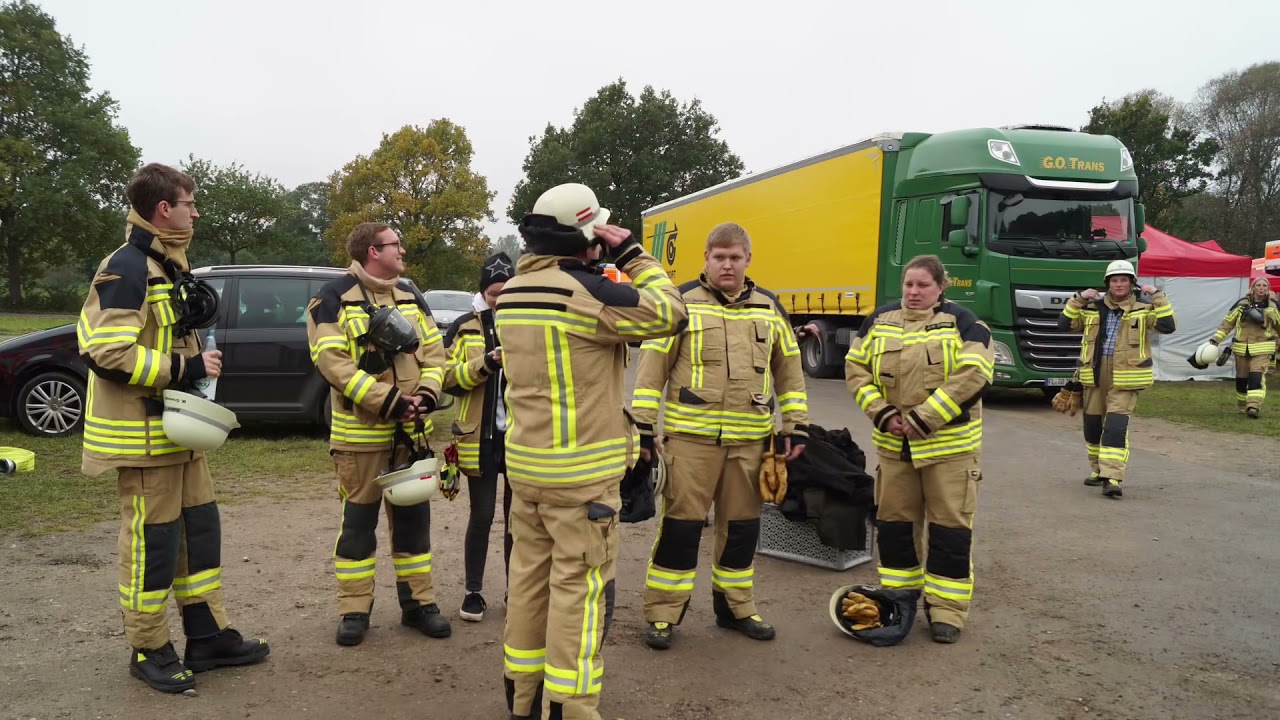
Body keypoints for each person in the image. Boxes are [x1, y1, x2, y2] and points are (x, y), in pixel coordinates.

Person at [497, 183, 686, 720]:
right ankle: (570, 706)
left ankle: (523, 698)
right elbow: (670, 314)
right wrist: (632, 253)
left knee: (528, 585)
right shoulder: (585, 293)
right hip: (581, 482)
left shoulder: (513, 291)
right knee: (578, 595)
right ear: (585, 233)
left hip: (528, 472)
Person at [78, 162, 270, 693]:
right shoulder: (128, 266)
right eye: (190, 202)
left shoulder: (167, 265)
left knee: (200, 534)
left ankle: (206, 636)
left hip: (180, 434)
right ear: (164, 209)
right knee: (154, 543)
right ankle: (148, 646)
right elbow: (106, 349)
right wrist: (183, 370)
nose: (196, 211)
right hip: (144, 438)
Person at [631, 221, 810, 650]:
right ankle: (662, 614)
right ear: (706, 260)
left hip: (750, 445)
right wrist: (641, 427)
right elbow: (651, 370)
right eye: (719, 257)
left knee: (743, 530)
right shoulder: (680, 304)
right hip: (690, 443)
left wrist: (796, 426)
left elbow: (789, 372)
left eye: (735, 257)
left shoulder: (768, 307)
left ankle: (735, 607)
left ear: (748, 260)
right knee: (680, 530)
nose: (727, 265)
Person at [305, 222, 451, 646]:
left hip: (411, 436)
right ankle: (353, 611)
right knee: (357, 527)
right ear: (373, 251)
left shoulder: (411, 294)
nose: (402, 250)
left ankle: (419, 605)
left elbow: (436, 355)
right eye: (395, 245)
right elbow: (331, 361)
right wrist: (387, 401)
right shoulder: (332, 297)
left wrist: (426, 394)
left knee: (413, 526)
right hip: (359, 440)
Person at [844, 254, 994, 644]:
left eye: (922, 285)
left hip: (950, 451)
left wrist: (925, 418)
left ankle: (947, 611)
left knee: (949, 533)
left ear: (940, 287)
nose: (913, 292)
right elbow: (855, 369)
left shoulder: (965, 324)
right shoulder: (878, 321)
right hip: (895, 450)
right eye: (908, 284)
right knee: (895, 528)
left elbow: (973, 375)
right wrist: (882, 413)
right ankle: (899, 598)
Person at [1058, 259, 1175, 497]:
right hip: (1094, 376)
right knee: (1092, 427)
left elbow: (1167, 325)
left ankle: (1112, 478)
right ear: (1107, 284)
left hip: (1126, 378)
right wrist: (1079, 298)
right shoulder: (1092, 308)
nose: (1119, 284)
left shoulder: (1143, 309)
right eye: (1114, 280)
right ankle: (1098, 470)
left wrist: (1157, 295)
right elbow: (1064, 324)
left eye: (1124, 280)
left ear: (1132, 283)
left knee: (1114, 427)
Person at [443, 251, 515, 622]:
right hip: (479, 438)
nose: (499, 300)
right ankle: (473, 592)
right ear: (482, 291)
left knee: (518, 518)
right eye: (493, 293)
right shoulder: (463, 326)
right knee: (482, 515)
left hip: (521, 438)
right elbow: (448, 379)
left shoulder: (527, 322)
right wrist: (486, 363)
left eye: (506, 292)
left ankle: (515, 591)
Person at [1208, 276, 1280, 418]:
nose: (1261, 288)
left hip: (1263, 348)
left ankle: (1253, 406)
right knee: (1241, 380)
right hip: (1242, 349)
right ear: (1252, 288)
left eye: (1265, 286)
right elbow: (1227, 324)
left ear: (1268, 289)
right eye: (1258, 285)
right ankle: (1242, 405)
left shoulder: (1273, 307)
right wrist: (1215, 340)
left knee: (1256, 376)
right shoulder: (1241, 305)